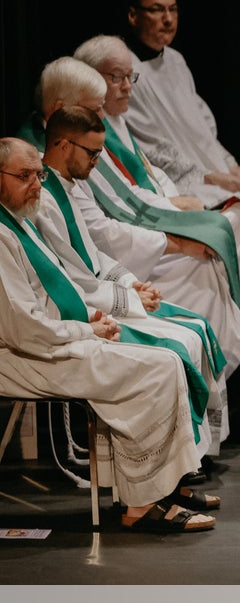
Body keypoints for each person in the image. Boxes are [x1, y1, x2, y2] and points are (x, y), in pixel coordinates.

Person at [16, 56, 240, 443]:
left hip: (111, 272)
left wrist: (130, 282)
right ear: (63, 118)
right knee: (193, 304)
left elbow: (102, 238)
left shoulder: (72, 169)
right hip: (79, 305)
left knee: (203, 298)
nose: (100, 158)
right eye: (94, 109)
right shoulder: (42, 177)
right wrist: (133, 287)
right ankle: (211, 428)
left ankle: (224, 420)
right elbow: (79, 259)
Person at [0, 137, 218, 533]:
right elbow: (24, 326)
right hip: (22, 356)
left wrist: (93, 316)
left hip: (52, 339)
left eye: (39, 174)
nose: (36, 183)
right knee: (157, 369)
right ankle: (143, 504)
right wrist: (87, 328)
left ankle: (159, 488)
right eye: (24, 175)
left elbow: (60, 287)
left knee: (166, 359)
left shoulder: (18, 221)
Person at [33, 107, 229, 456]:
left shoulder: (70, 186)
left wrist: (131, 282)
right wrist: (128, 299)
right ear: (63, 145)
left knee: (197, 327)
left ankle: (193, 459)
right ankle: (174, 463)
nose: (97, 161)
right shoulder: (45, 200)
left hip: (102, 296)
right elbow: (71, 278)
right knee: (179, 346)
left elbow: (91, 254)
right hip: (85, 314)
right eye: (92, 153)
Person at [120, 0, 240, 235]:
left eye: (173, 10)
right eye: (157, 10)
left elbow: (201, 129)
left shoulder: (176, 62)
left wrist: (230, 164)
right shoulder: (126, 72)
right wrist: (215, 177)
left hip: (214, 173)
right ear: (133, 15)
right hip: (182, 184)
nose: (168, 19)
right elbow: (153, 149)